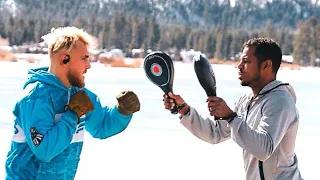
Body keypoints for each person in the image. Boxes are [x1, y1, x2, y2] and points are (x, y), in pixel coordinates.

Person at [5, 26, 140, 180]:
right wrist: (72, 115)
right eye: (84, 58)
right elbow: (45, 150)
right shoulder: (35, 98)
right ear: (64, 59)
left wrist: (123, 111)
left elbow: (101, 125)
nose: (88, 65)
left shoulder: (77, 95)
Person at [163, 38, 303, 180]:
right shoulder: (246, 101)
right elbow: (215, 133)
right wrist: (184, 109)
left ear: (266, 65)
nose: (239, 66)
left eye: (246, 61)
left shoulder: (280, 102)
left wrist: (231, 117)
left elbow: (263, 149)